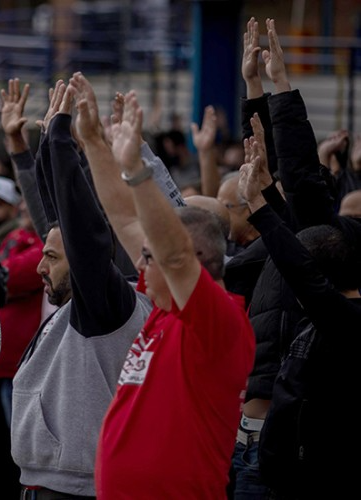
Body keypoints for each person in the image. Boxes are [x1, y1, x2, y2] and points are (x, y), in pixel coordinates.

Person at [94, 90, 255, 499]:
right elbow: (126, 220)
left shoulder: (218, 322)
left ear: (192, 262)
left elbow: (175, 254)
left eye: (151, 256)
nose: (140, 264)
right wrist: (92, 141)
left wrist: (135, 169)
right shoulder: (164, 311)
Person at [7, 74, 154, 500]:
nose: (39, 267)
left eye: (51, 258)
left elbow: (82, 230)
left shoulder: (108, 307)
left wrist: (62, 142)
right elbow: (59, 221)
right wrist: (45, 156)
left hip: (76, 491)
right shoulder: (77, 305)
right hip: (42, 483)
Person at [238, 130, 361, 499]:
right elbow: (303, 239)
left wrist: (258, 210)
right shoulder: (323, 317)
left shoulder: (348, 323)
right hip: (275, 470)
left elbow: (300, 267)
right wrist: (267, 196)